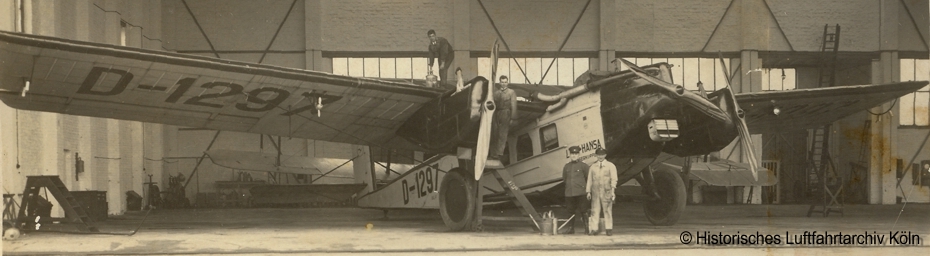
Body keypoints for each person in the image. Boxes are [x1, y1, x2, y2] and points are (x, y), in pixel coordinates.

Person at [586, 148, 617, 236]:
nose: (600, 156)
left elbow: (614, 179)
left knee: (607, 210)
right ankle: (594, 229)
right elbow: (589, 180)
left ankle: (609, 228)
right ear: (596, 155)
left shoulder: (611, 166)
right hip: (595, 192)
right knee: (595, 210)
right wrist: (588, 191)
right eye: (598, 155)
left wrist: (613, 191)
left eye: (602, 154)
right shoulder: (593, 167)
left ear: (605, 155)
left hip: (606, 191)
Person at [561, 146, 589, 234]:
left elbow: (588, 179)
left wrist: (587, 191)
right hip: (569, 193)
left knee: (584, 210)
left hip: (581, 192)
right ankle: (571, 228)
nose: (574, 155)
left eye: (576, 154)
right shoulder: (566, 166)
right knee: (570, 211)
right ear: (570, 155)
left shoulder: (584, 166)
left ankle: (587, 228)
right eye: (572, 154)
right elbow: (565, 179)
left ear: (579, 154)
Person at [489, 75, 516, 161]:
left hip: (506, 113)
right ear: (499, 83)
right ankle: (493, 153)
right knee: (494, 133)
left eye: (505, 82)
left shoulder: (511, 92)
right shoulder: (496, 93)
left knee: (503, 134)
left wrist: (512, 118)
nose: (504, 84)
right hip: (496, 113)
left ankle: (499, 153)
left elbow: (513, 106)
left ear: (507, 82)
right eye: (502, 82)